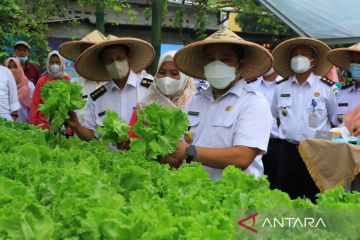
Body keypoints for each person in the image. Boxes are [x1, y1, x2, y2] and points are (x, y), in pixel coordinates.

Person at [167, 28, 273, 180]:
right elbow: (179, 147)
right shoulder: (196, 101)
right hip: (194, 191)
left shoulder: (253, 102)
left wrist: (188, 152)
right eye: (210, 59)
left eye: (225, 59)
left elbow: (242, 157)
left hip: (235, 196)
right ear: (204, 64)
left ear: (240, 65)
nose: (216, 65)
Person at [271, 37, 337, 201]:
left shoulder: (327, 88)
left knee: (314, 196)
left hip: (317, 150)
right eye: (295, 54)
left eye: (304, 54)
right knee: (286, 197)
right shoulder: (280, 87)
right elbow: (277, 117)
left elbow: (334, 120)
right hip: (287, 150)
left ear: (313, 61)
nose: (299, 58)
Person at [67, 35, 155, 141]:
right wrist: (77, 126)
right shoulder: (97, 97)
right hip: (109, 157)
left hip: (143, 156)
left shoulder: (149, 88)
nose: (115, 63)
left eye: (119, 58)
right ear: (103, 64)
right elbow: (91, 135)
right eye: (109, 61)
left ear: (129, 57)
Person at [129, 50, 196, 138]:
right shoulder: (143, 106)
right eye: (162, 73)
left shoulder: (195, 105)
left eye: (174, 73)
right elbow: (132, 139)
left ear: (185, 76)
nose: (167, 78)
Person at [59, 30, 107, 125]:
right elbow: (58, 124)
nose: (86, 58)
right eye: (83, 54)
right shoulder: (73, 85)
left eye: (91, 53)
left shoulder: (114, 85)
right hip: (77, 139)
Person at [247, 66, 283, 189]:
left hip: (277, 143)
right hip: (252, 144)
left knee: (277, 184)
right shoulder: (251, 85)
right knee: (256, 182)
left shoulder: (284, 84)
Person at [29, 50, 70, 129]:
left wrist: (70, 129)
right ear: (48, 63)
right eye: (52, 62)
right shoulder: (42, 80)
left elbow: (70, 107)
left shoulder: (67, 80)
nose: (55, 65)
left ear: (62, 63)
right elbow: (35, 103)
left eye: (57, 62)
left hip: (62, 126)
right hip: (42, 125)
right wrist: (32, 124)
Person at [327, 42, 360, 126]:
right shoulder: (343, 92)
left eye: (359, 62)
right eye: (353, 61)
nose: (356, 65)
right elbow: (334, 123)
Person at [5, 58, 35, 123]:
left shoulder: (29, 86)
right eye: (9, 67)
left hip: (24, 128)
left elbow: (34, 108)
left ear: (20, 68)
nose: (12, 70)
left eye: (15, 67)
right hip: (5, 127)